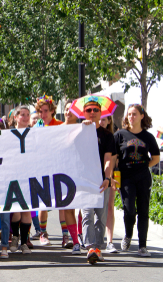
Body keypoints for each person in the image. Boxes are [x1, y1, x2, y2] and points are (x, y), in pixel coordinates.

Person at [114, 104, 160, 257]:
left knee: (143, 210)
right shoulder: (120, 135)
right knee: (129, 210)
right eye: (129, 114)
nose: (131, 117)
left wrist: (144, 166)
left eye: (134, 114)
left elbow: (155, 157)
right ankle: (128, 235)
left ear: (141, 116)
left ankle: (142, 245)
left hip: (143, 177)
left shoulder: (148, 137)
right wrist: (115, 177)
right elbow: (114, 158)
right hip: (126, 178)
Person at [77, 96, 115, 264]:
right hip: (84, 180)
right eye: (88, 110)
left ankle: (98, 247)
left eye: (95, 110)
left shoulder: (108, 136)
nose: (92, 113)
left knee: (100, 215)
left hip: (101, 181)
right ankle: (90, 247)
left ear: (101, 113)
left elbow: (108, 159)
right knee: (87, 214)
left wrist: (107, 177)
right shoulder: (77, 132)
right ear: (84, 113)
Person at [33, 94, 67, 246]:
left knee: (62, 202)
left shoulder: (60, 125)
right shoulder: (35, 128)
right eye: (40, 111)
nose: (43, 114)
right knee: (43, 202)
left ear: (52, 111)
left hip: (59, 167)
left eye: (46, 110)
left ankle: (65, 235)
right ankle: (43, 233)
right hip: (41, 168)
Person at [8, 106, 33, 255]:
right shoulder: (9, 135)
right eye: (22, 114)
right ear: (16, 117)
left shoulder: (34, 134)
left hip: (30, 175)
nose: (25, 117)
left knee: (27, 210)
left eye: (27, 114)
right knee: (16, 209)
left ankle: (24, 242)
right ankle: (15, 237)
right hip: (14, 175)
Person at [60, 100, 83, 254]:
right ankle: (75, 241)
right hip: (63, 173)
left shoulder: (84, 128)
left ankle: (82, 235)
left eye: (72, 110)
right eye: (67, 109)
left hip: (81, 172)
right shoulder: (57, 130)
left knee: (83, 207)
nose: (69, 112)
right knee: (68, 208)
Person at [99, 115, 119, 253]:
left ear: (109, 121)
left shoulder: (111, 136)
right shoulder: (88, 133)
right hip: (92, 176)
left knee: (109, 206)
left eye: (104, 119)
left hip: (110, 175)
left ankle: (110, 241)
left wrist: (110, 178)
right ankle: (83, 236)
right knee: (86, 210)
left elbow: (112, 160)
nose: (101, 121)